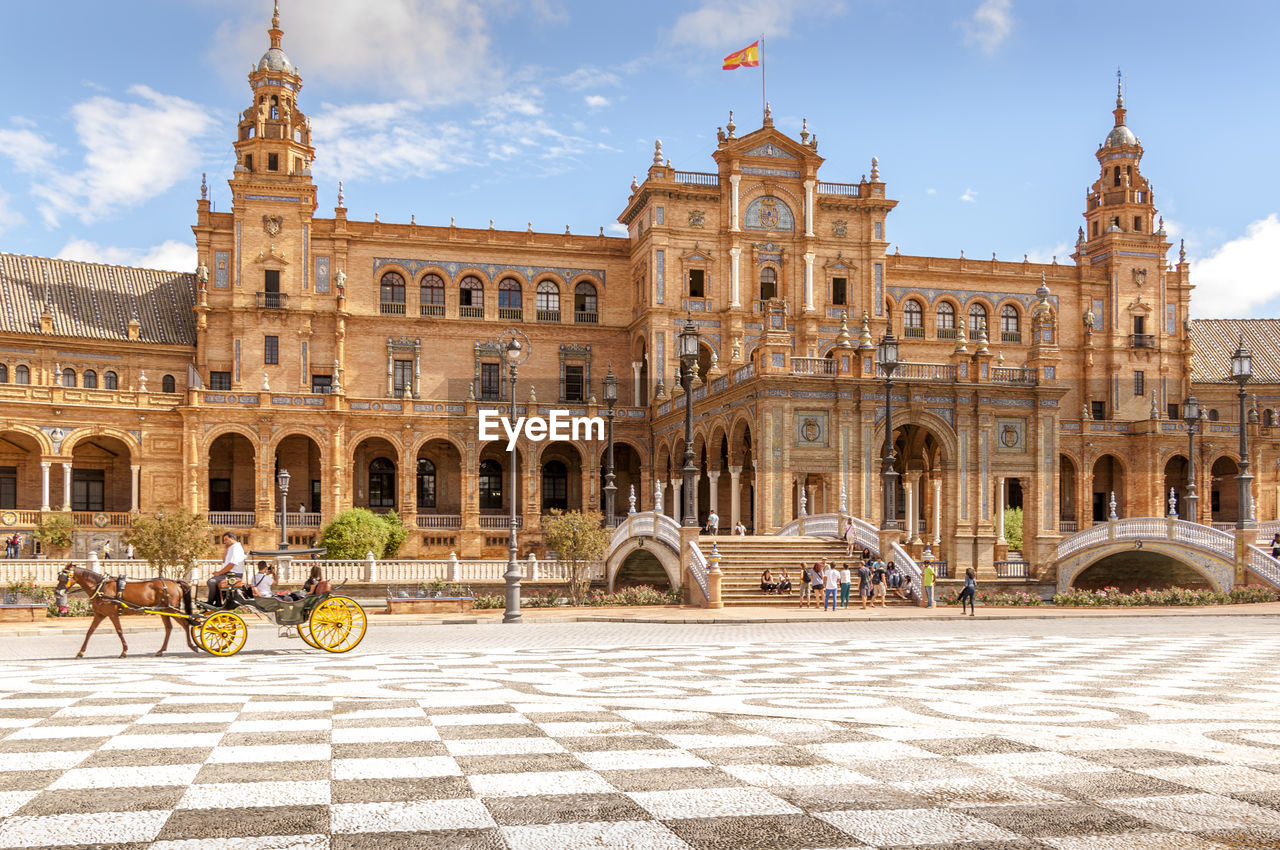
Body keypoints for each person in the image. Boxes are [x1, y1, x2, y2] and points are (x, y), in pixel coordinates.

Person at [207, 531, 246, 605]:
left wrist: (219, 573)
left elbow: (231, 565)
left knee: (211, 582)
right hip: (228, 574)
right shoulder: (231, 548)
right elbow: (224, 561)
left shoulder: (236, 548)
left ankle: (211, 602)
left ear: (232, 538)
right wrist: (225, 549)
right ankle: (218, 602)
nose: (224, 542)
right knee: (213, 581)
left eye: (226, 539)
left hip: (234, 575)